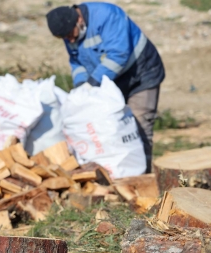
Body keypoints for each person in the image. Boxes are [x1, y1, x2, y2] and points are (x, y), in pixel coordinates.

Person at [46, 3, 165, 168]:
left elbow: (119, 55)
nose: (70, 40)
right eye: (65, 38)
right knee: (112, 126)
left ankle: (142, 177)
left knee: (138, 126)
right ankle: (116, 174)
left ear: (78, 19)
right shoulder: (71, 31)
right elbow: (76, 61)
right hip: (111, 80)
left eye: (70, 35)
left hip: (141, 73)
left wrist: (92, 84)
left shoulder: (107, 16)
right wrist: (81, 85)